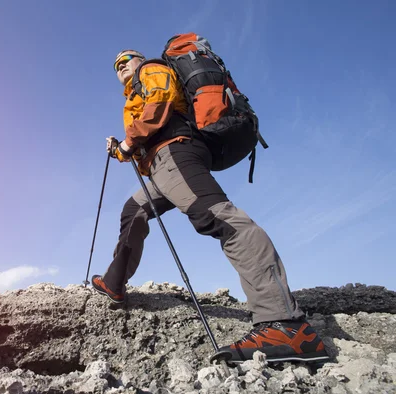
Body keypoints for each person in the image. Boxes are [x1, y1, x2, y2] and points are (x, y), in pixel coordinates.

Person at [90, 48, 330, 364]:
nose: (120, 66)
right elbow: (141, 134)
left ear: (139, 59)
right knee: (133, 211)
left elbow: (158, 105)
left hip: (175, 153)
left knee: (221, 219)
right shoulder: (133, 92)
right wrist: (122, 150)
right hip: (162, 163)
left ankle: (285, 326)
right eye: (115, 65)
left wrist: (128, 141)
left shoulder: (151, 70)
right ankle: (114, 282)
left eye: (126, 60)